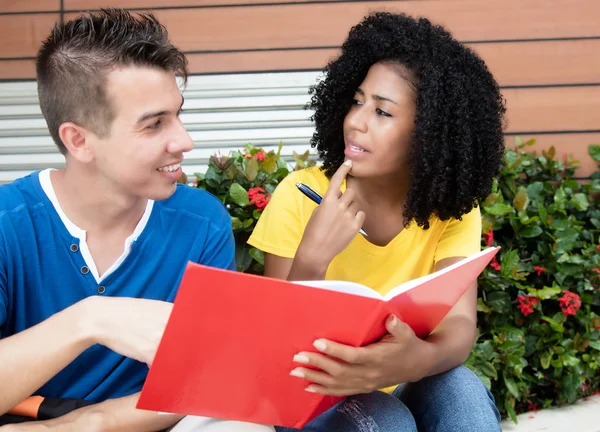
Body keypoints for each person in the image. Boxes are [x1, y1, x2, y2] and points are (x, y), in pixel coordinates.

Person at [0, 9, 274, 432]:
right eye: (154, 125)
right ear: (79, 140)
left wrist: (90, 422)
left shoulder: (201, 221)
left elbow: (211, 378)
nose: (184, 140)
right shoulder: (7, 223)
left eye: (178, 114)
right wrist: (89, 320)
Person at [248, 11, 506, 432]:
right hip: (307, 394)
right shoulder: (300, 194)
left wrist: (417, 358)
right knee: (383, 418)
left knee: (461, 390)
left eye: (383, 113)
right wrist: (312, 258)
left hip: (395, 381)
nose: (356, 121)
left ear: (428, 134)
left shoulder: (450, 209)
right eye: (357, 101)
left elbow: (458, 327)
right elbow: (274, 348)